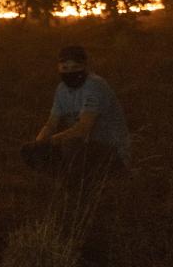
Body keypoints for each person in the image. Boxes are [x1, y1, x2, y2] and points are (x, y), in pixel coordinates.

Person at [21, 45, 131, 181]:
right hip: (84, 148)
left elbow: (83, 128)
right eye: (65, 68)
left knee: (70, 146)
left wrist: (51, 141)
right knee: (30, 150)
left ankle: (88, 184)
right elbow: (51, 123)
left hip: (112, 152)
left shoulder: (94, 86)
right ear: (59, 68)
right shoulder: (62, 89)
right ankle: (62, 183)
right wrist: (38, 143)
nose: (70, 72)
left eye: (75, 67)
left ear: (85, 66)